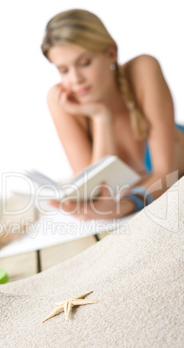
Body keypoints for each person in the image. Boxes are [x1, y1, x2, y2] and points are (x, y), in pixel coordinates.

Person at [41, 8, 184, 220]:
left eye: (85, 63)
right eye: (64, 70)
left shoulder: (143, 69)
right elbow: (92, 192)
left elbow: (166, 173)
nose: (76, 79)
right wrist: (101, 118)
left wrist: (125, 205)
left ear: (111, 52)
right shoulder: (62, 101)